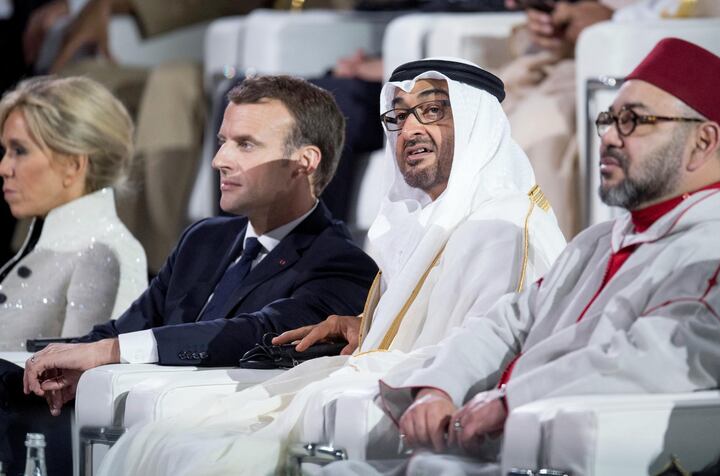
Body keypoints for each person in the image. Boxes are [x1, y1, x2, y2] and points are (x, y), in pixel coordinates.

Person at [93, 57, 567, 476]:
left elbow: (490, 358)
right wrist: (365, 326)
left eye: (434, 110)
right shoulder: (431, 226)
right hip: (376, 387)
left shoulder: (505, 227)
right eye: (398, 117)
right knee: (164, 439)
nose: (411, 129)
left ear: (477, 122)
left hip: (435, 415)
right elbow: (439, 324)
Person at [377, 38, 720, 472]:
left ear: (703, 142)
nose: (610, 137)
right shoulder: (599, 241)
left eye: (634, 121)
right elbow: (510, 324)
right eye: (609, 119)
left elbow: (648, 363)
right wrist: (438, 386)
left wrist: (508, 402)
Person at [0, 74, 377, 475]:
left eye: (245, 144)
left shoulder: (341, 264)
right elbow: (124, 330)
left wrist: (107, 353)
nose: (219, 160)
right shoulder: (204, 240)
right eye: (222, 141)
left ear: (304, 163)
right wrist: (54, 364)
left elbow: (257, 333)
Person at [0, 76, 147, 350]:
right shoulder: (54, 244)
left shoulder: (104, 252)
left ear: (73, 165)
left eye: (19, 151)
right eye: (6, 150)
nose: (4, 168)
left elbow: (77, 384)